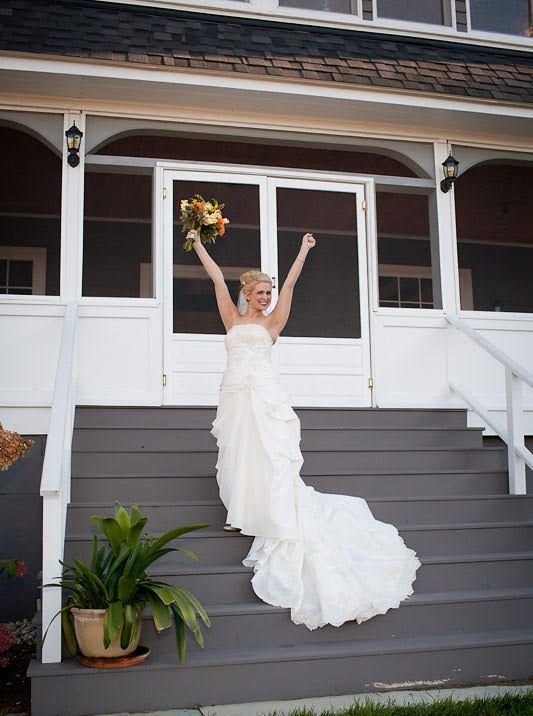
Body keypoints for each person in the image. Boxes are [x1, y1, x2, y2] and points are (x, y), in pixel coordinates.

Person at [191, 230, 420, 630]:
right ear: (246, 293)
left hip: (263, 394)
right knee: (236, 451)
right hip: (233, 393)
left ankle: (271, 509)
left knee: (271, 454)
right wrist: (195, 243)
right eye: (260, 292)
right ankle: (239, 512)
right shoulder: (230, 315)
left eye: (268, 292)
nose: (266, 297)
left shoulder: (275, 320)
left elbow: (293, 281)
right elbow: (214, 277)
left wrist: (302, 251)